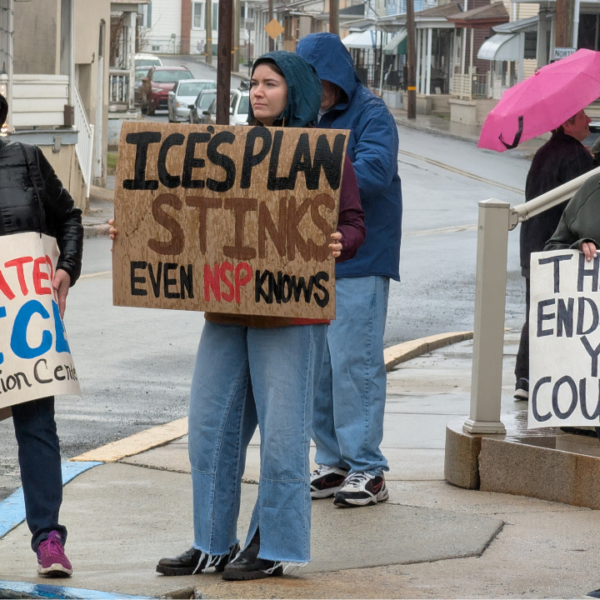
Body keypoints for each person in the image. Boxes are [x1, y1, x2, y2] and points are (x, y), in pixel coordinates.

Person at [111, 52, 365, 580]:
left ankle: (274, 547)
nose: (258, 92)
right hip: (226, 310)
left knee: (282, 438)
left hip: (292, 317)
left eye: (270, 84)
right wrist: (132, 231)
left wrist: (344, 241)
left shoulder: (322, 153)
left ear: (292, 90)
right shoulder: (229, 146)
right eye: (253, 83)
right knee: (210, 428)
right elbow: (180, 205)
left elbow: (354, 222)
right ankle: (211, 542)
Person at [295, 33, 402, 507]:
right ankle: (335, 462)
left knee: (354, 365)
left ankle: (368, 469)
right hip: (312, 262)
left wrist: (319, 170)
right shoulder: (305, 115)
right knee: (320, 369)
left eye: (315, 81)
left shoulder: (372, 113)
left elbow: (376, 171)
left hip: (361, 259)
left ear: (335, 78)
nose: (309, 89)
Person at [0, 94, 83, 576]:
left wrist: (67, 269)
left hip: (24, 317)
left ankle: (48, 539)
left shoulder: (26, 160)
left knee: (35, 426)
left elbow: (68, 215)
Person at [515, 109, 594, 401]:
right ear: (566, 123)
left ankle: (525, 377)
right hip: (563, 249)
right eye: (582, 116)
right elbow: (583, 205)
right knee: (564, 317)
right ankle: (551, 377)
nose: (588, 120)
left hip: (533, 245)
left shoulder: (545, 153)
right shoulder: (575, 157)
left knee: (538, 312)